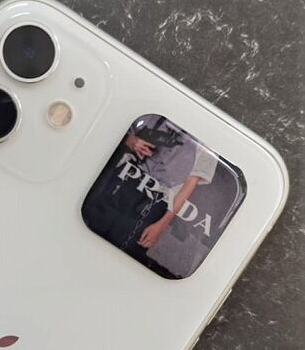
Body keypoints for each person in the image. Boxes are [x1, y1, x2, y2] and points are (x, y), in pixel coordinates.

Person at [82, 114, 217, 274]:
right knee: (86, 231)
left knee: (120, 257)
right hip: (119, 181)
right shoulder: (157, 114)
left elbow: (190, 185)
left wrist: (162, 224)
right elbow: (114, 129)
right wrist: (132, 141)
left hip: (155, 201)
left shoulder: (208, 140)